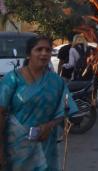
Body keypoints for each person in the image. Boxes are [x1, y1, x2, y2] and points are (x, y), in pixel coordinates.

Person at [0, 35, 78, 171]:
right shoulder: (12, 79)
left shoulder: (56, 82)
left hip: (46, 145)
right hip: (16, 147)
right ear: (29, 54)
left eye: (48, 50)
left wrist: (49, 125)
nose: (44, 53)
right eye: (39, 49)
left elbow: (65, 108)